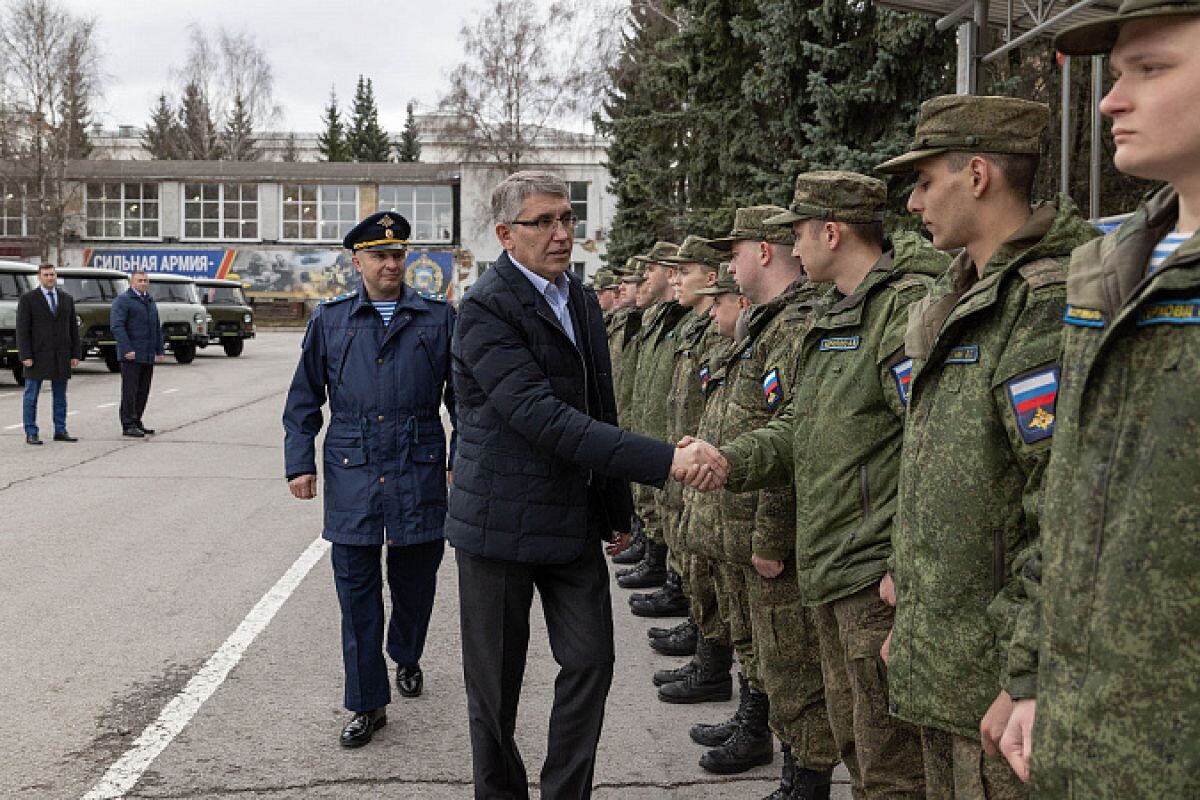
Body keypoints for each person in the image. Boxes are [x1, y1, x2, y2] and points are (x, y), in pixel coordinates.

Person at [447, 170, 721, 800]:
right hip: (497, 526)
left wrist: (615, 508)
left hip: (569, 519)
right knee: (494, 691)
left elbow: (600, 406)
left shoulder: (578, 298)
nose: (561, 233)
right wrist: (665, 461)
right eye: (542, 222)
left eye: (567, 218)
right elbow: (543, 418)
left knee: (591, 661)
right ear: (505, 235)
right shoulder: (486, 309)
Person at [683, 172, 949, 799]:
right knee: (855, 744)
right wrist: (728, 459)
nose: (794, 248)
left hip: (870, 574)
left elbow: (929, 441)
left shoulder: (899, 311)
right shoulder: (835, 314)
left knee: (890, 765)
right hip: (830, 567)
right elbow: (798, 425)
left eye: (800, 232)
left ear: (832, 233)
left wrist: (902, 563)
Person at [996, 9, 1200, 798]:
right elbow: (1073, 491)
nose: (1112, 100)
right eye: (1116, 75)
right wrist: (1033, 676)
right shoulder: (1110, 269)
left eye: (1152, 69)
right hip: (1090, 742)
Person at [874, 94, 1098, 800]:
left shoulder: (1041, 303)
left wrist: (1024, 674)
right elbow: (946, 474)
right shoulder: (961, 296)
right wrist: (911, 608)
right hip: (948, 666)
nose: (913, 204)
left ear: (977, 175)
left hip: (995, 688)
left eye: (924, 181)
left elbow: (1060, 506)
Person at [282, 211, 455, 749]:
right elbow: (303, 399)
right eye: (379, 256)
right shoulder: (331, 320)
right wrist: (299, 462)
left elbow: (465, 400)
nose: (390, 264)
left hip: (419, 469)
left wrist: (461, 458)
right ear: (357, 263)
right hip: (353, 470)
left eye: (397, 254)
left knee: (415, 582)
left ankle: (406, 652)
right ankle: (366, 702)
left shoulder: (437, 318)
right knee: (357, 595)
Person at [16, 263, 80, 445]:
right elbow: (22, 330)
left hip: (61, 354)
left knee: (60, 396)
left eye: (52, 274)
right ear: (39, 277)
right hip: (37, 355)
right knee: (31, 396)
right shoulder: (28, 299)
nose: (50, 278)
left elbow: (72, 328)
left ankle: (60, 430)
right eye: (46, 275)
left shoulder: (66, 299)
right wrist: (25, 355)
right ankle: (31, 432)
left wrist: (75, 353)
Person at [111, 270, 164, 438]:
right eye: (139, 280)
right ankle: (128, 423)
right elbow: (117, 326)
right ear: (131, 282)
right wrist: (126, 348)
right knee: (130, 391)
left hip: (147, 354)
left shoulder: (149, 301)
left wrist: (159, 349)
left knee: (143, 391)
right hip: (131, 355)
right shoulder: (123, 301)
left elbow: (156, 327)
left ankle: (137, 420)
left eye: (145, 280)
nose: (143, 283)